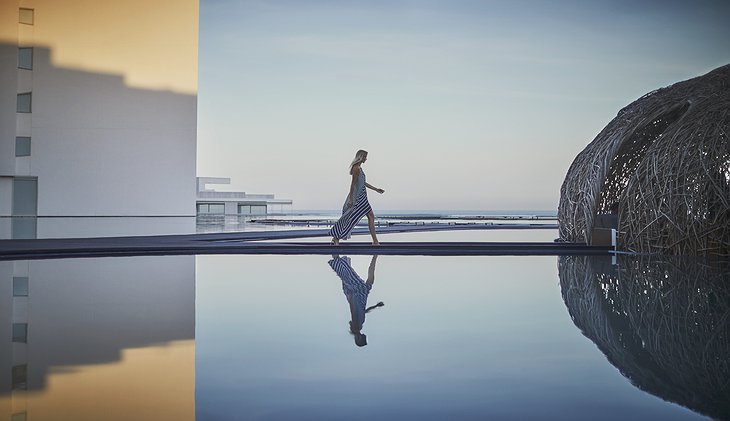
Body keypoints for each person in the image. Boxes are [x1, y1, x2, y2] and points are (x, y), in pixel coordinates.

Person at [329, 149, 385, 245]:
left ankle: (375, 241)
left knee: (370, 216)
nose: (366, 159)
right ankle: (335, 238)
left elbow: (363, 183)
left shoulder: (360, 168)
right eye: (365, 157)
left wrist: (376, 189)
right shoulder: (356, 168)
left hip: (363, 197)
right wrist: (351, 199)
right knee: (349, 218)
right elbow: (353, 184)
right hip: (357, 198)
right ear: (360, 157)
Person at [328, 254, 383, 347]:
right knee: (350, 274)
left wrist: (351, 296)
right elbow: (363, 311)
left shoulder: (356, 327)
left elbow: (353, 311)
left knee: (345, 272)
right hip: (359, 295)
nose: (363, 337)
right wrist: (376, 306)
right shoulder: (358, 327)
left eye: (362, 339)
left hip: (356, 293)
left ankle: (335, 246)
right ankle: (375, 256)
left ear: (359, 339)